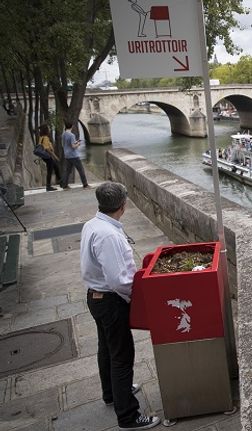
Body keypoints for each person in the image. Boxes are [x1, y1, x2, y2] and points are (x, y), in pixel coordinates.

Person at [80, 182, 160, 430]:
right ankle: (128, 416)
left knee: (106, 349)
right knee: (122, 357)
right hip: (111, 301)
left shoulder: (92, 224)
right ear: (123, 205)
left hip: (95, 296)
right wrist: (136, 298)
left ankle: (112, 393)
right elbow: (119, 280)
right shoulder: (109, 235)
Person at [61, 120, 90, 189]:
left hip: (67, 155)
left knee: (68, 171)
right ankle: (85, 185)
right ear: (72, 127)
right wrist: (78, 144)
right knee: (81, 170)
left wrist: (75, 142)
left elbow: (65, 144)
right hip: (73, 155)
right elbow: (73, 146)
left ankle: (65, 185)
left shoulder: (64, 134)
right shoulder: (71, 135)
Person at [38, 124, 61, 191]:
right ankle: (48, 186)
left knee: (56, 167)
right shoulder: (45, 138)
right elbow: (47, 149)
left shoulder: (41, 137)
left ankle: (60, 181)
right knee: (50, 171)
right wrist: (54, 156)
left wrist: (54, 156)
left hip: (45, 156)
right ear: (46, 130)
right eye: (48, 128)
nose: (49, 129)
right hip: (47, 156)